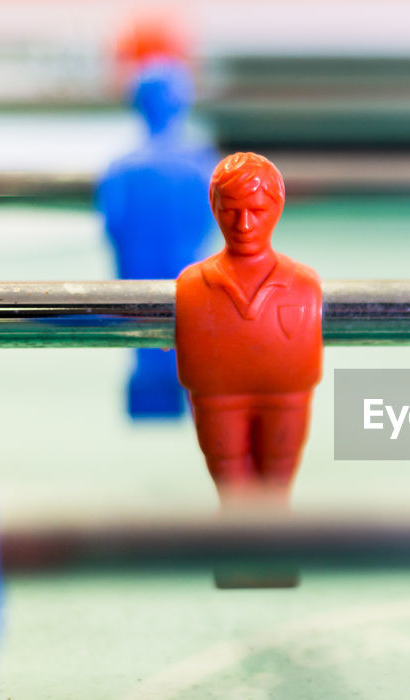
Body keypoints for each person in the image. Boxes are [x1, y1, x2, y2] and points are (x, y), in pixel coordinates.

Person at [175, 152, 323, 503]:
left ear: (278, 207)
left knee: (275, 489)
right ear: (214, 207)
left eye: (257, 211)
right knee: (233, 492)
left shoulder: (303, 284)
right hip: (218, 395)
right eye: (231, 210)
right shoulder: (192, 286)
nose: (244, 225)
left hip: (285, 393)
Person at [97, 59, 216, 419]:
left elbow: (112, 223)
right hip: (183, 263)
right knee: (182, 334)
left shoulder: (121, 167)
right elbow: (212, 219)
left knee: (146, 335)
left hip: (139, 265)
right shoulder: (201, 164)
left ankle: (155, 400)